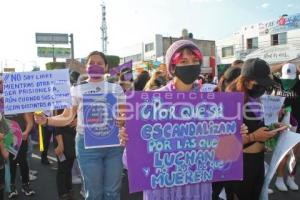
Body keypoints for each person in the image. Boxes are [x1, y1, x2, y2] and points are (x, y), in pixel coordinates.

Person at [120, 40, 248, 200]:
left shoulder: (210, 104)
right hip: (162, 189)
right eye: (184, 61)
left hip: (197, 187)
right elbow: (130, 161)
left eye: (195, 61)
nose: (191, 66)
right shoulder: (152, 102)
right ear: (172, 67)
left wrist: (234, 132)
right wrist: (129, 139)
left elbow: (223, 150)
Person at [34, 51, 125, 200]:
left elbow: (124, 115)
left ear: (106, 67)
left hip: (113, 146)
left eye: (100, 63)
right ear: (86, 67)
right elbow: (67, 116)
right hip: (87, 146)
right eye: (92, 63)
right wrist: (47, 120)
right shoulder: (76, 90)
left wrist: (122, 121)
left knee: (112, 192)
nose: (95, 66)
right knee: (93, 193)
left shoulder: (116, 89)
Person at [225, 58, 287, 200]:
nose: (263, 88)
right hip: (240, 165)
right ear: (246, 81)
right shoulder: (231, 102)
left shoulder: (256, 99)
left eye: (266, 84)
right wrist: (253, 137)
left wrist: (273, 128)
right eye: (260, 84)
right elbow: (224, 144)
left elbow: (258, 128)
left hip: (258, 162)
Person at [272, 63, 300, 191]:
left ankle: (291, 178)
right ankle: (279, 179)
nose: (288, 80)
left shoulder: (299, 84)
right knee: (282, 152)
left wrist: (296, 69)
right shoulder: (278, 83)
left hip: (297, 122)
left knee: (295, 153)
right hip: (281, 123)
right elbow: (268, 72)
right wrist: (283, 65)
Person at [5, 112, 35, 198]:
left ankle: (25, 185)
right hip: (7, 138)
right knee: (11, 162)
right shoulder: (2, 103)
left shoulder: (19, 102)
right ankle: (11, 186)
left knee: (23, 162)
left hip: (21, 137)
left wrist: (26, 132)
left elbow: (30, 121)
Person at [54, 110, 77, 200]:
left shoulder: (75, 101)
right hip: (62, 140)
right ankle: (63, 194)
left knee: (68, 168)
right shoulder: (61, 102)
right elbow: (56, 126)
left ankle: (69, 191)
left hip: (72, 139)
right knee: (62, 168)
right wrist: (60, 144)